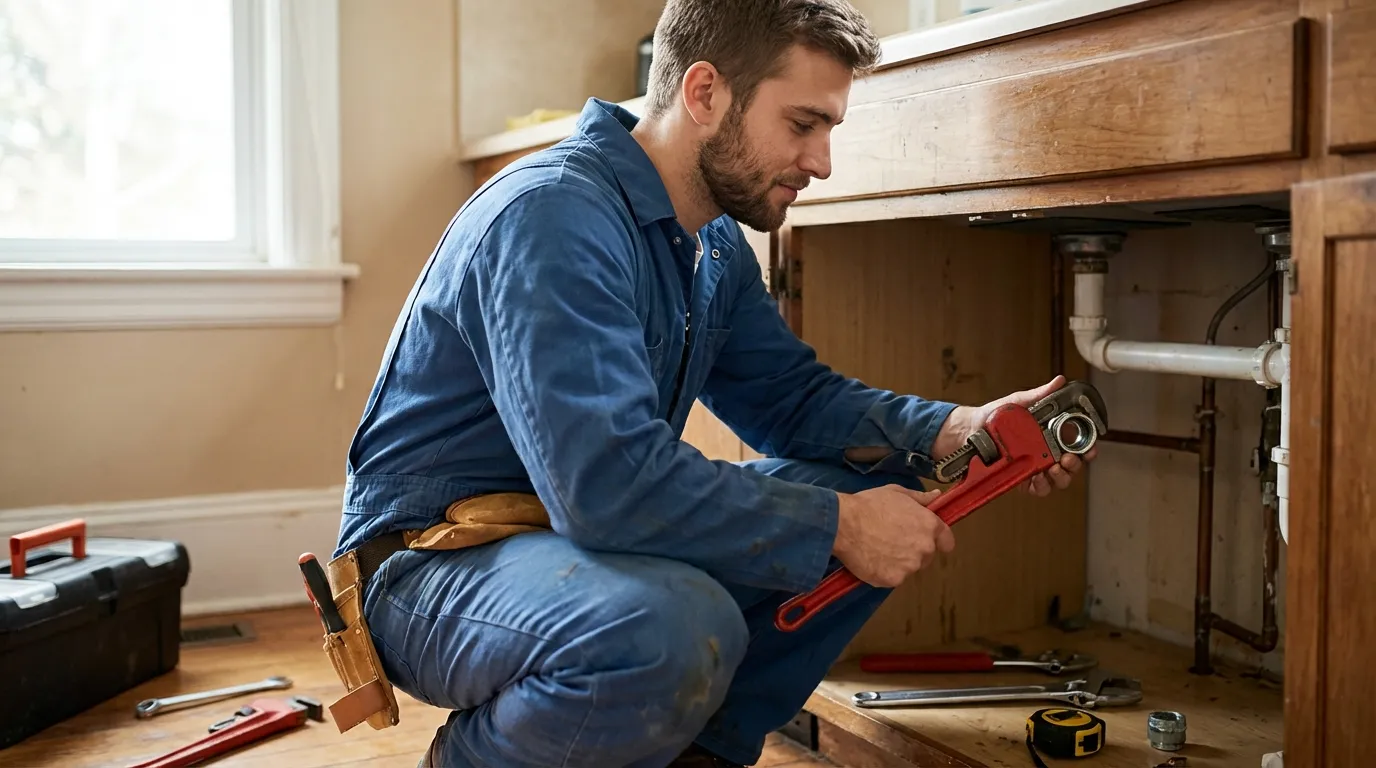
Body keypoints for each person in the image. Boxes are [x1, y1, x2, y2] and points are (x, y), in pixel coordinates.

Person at [333, 1, 1095, 766]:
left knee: (874, 478)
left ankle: (696, 754)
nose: (823, 161)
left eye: (831, 129)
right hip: (429, 569)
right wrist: (838, 525)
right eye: (802, 125)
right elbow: (608, 489)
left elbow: (794, 401)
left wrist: (951, 429)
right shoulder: (554, 216)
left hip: (563, 535)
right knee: (668, 627)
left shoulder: (713, 244)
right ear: (704, 94)